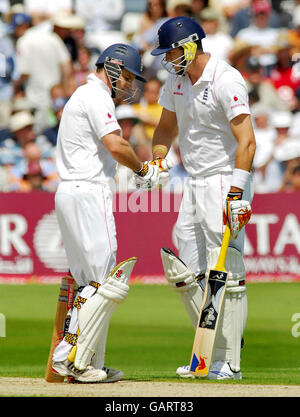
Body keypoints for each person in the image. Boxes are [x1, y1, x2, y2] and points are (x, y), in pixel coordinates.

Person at [147, 16, 255, 380]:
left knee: (228, 270)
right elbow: (165, 127)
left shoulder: (226, 79)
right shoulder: (176, 80)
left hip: (225, 179)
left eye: (172, 51)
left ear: (191, 45)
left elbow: (248, 141)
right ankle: (209, 352)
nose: (167, 58)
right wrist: (158, 160)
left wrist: (237, 193)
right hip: (194, 181)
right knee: (190, 270)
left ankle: (231, 363)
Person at [51, 43, 163, 383]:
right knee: (106, 284)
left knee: (91, 284)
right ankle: (71, 359)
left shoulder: (83, 95)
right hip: (88, 191)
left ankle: (87, 362)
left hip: (69, 192)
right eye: (128, 77)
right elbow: (117, 145)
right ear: (113, 69)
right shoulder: (96, 96)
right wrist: (145, 172)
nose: (130, 85)